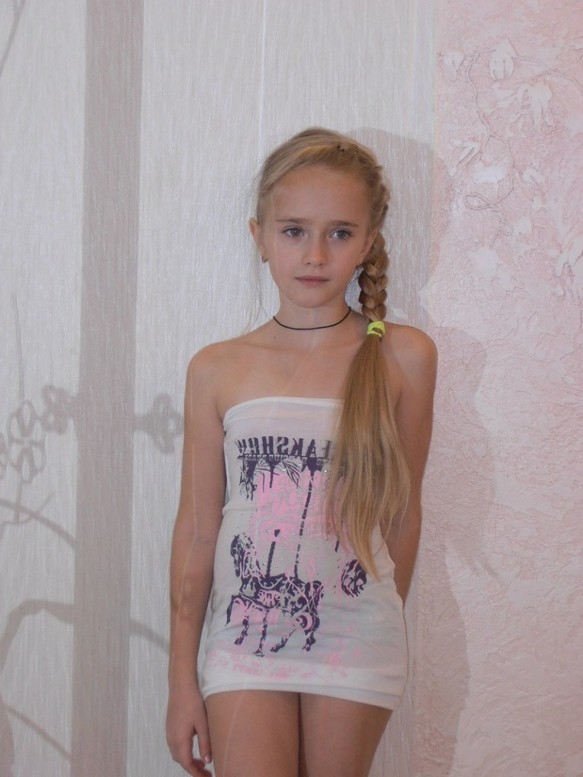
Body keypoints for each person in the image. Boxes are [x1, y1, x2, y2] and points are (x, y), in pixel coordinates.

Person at [166, 127, 437, 777]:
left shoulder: (404, 357)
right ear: (259, 236)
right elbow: (198, 531)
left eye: (339, 233)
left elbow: (403, 516)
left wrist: (368, 611)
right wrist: (180, 680)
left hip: (355, 640)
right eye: (293, 231)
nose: (315, 255)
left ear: (367, 243)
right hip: (241, 638)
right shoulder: (217, 368)